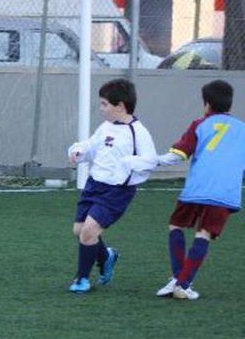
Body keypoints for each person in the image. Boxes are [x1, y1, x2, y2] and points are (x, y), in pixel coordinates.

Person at [126, 79, 245, 301]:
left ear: (206, 103)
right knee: (204, 234)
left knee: (176, 226)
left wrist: (151, 162)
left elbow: (178, 155)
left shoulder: (200, 124)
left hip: (197, 188)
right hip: (224, 193)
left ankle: (178, 280)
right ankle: (182, 282)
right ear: (229, 104)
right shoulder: (242, 129)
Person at [66, 78, 158, 294]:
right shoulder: (106, 126)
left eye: (104, 104)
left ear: (120, 106)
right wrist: (78, 151)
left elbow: (150, 160)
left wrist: (129, 164)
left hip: (117, 191)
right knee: (79, 231)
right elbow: (91, 146)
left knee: (88, 232)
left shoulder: (138, 132)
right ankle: (107, 256)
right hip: (93, 185)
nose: (101, 109)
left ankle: (81, 280)